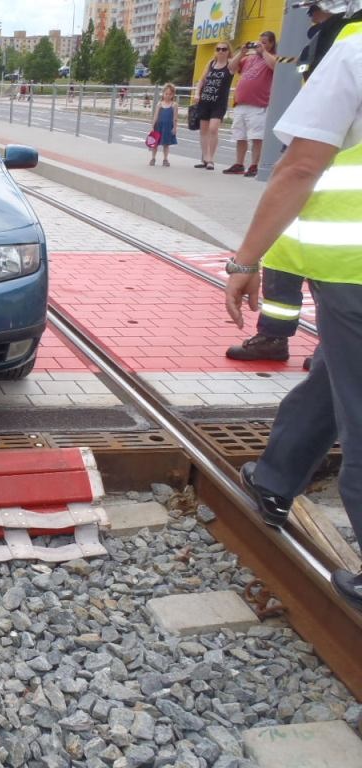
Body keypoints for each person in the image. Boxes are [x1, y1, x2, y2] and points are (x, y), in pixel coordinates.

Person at [224, 6, 362, 611]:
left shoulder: (355, 49)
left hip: (355, 271)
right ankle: (277, 477)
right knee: (338, 372)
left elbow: (303, 163)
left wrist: (246, 259)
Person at [226, 1, 351, 364]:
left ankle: (322, 347)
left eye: (313, 7)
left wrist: (245, 262)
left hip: (328, 184)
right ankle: (281, 337)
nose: (308, 14)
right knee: (283, 255)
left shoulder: (346, 44)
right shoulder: (328, 38)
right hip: (322, 175)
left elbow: (301, 165)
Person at [223, 31, 277, 177]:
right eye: (259, 42)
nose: (260, 45)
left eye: (264, 42)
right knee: (240, 135)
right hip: (241, 103)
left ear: (271, 44)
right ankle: (239, 163)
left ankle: (254, 165)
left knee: (256, 137)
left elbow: (275, 66)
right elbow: (231, 68)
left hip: (258, 104)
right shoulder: (249, 59)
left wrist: (264, 51)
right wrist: (241, 53)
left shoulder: (271, 57)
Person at [193, 42, 235, 170]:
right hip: (205, 101)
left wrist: (243, 52)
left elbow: (239, 60)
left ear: (228, 51)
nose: (221, 51)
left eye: (224, 49)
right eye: (218, 49)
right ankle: (205, 158)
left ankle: (211, 158)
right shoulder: (211, 63)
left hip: (219, 103)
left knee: (213, 129)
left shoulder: (230, 65)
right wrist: (196, 93)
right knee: (203, 130)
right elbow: (202, 80)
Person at [149, 82, 179, 167]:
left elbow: (175, 118)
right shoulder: (159, 104)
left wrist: (174, 128)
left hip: (168, 127)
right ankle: (153, 158)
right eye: (166, 94)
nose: (168, 96)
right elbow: (155, 116)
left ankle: (165, 159)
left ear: (173, 95)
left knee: (166, 144)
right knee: (155, 144)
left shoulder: (174, 105)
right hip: (158, 126)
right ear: (163, 93)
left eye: (170, 94)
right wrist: (152, 126)